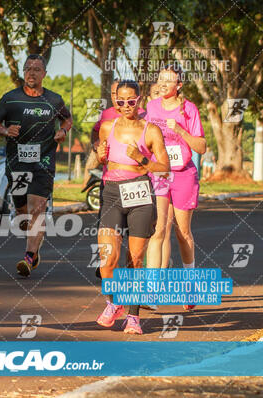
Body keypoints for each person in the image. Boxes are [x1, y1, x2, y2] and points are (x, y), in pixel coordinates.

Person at [95, 80, 169, 335]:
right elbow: (99, 158)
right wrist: (99, 155)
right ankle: (114, 303)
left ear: (139, 101)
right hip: (112, 192)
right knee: (107, 256)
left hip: (139, 191)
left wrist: (142, 158)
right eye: (120, 101)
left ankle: (133, 317)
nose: (125, 105)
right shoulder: (107, 127)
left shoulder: (151, 131)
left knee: (135, 259)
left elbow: (164, 167)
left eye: (130, 101)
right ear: (114, 101)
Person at [0, 54, 72, 277]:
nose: (32, 73)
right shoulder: (10, 99)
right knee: (22, 212)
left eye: (37, 69)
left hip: (43, 162)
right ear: (23, 72)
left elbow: (68, 119)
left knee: (37, 208)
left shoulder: (54, 100)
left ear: (44, 74)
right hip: (17, 162)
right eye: (28, 69)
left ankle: (29, 256)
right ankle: (28, 232)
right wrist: (6, 130)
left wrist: (62, 131)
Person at [144, 64, 206, 311]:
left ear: (178, 85)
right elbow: (145, 137)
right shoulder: (152, 106)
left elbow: (200, 146)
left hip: (183, 175)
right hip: (161, 173)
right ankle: (152, 292)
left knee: (182, 232)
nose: (163, 84)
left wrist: (180, 130)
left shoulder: (189, 109)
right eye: (160, 79)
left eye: (169, 81)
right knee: (159, 229)